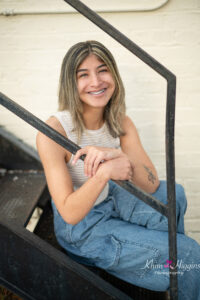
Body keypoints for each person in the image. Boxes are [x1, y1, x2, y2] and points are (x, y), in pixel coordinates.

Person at [36, 40, 200, 300]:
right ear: (70, 81)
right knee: (190, 255)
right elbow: (69, 213)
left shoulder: (120, 121)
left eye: (103, 70)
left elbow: (151, 183)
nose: (96, 81)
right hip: (82, 227)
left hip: (111, 201)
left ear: (113, 74)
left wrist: (120, 157)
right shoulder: (54, 132)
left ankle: (168, 269)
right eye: (83, 74)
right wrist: (103, 173)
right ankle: (176, 267)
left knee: (174, 194)